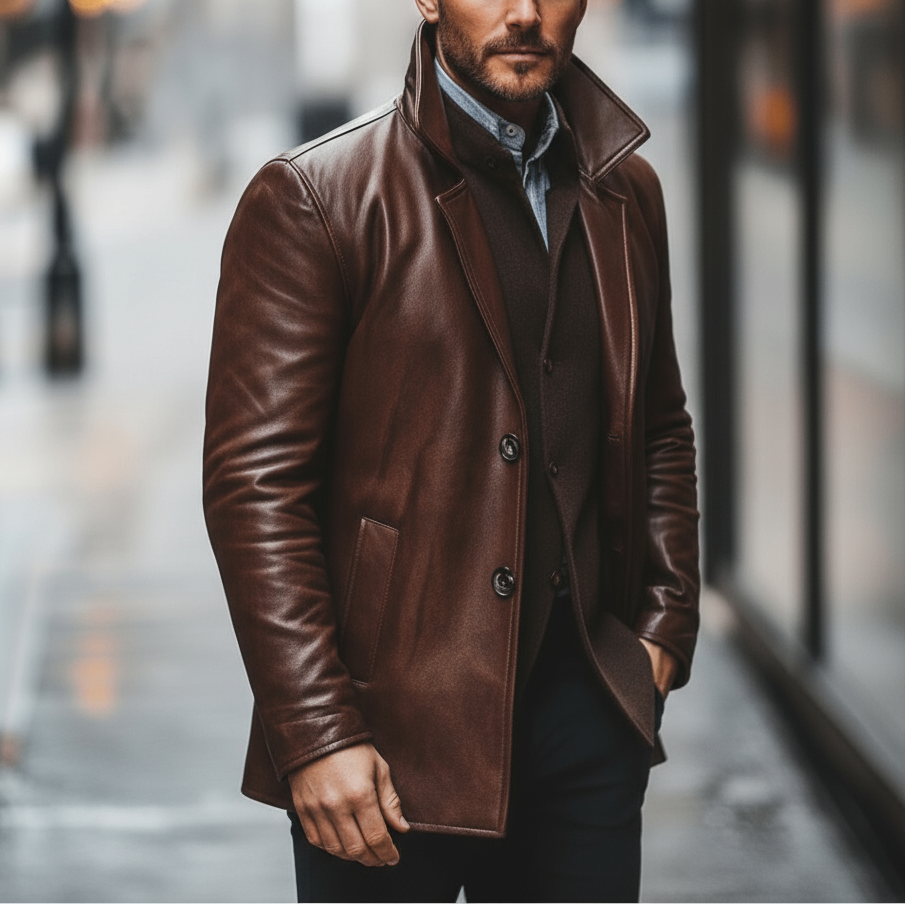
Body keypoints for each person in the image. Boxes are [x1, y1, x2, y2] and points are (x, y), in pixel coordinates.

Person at [203, 1, 700, 901]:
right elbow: (253, 491)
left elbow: (659, 425)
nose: (522, 12)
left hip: (584, 723)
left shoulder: (628, 194)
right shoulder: (317, 195)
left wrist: (663, 627)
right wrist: (316, 731)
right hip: (381, 750)